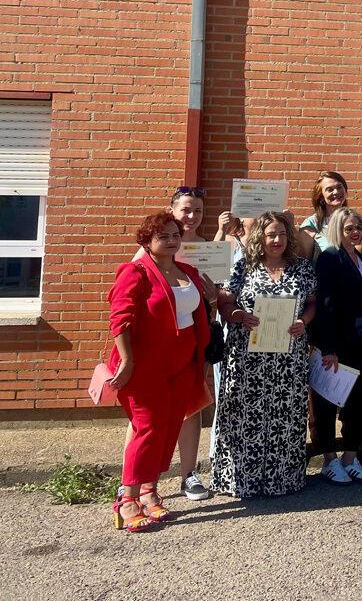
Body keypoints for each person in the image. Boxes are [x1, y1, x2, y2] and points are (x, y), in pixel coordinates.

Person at [107, 211, 212, 531]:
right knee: (147, 429)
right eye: (162, 236)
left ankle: (149, 491)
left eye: (175, 235)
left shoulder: (188, 271)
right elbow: (120, 319)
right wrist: (127, 360)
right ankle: (127, 499)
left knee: (167, 429)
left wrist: (213, 297)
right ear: (146, 241)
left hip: (182, 365)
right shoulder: (135, 272)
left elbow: (197, 312)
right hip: (145, 367)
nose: (170, 240)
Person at [130, 186, 225, 503]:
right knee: (145, 416)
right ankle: (134, 480)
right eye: (186, 209)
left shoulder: (207, 248)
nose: (192, 216)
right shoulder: (151, 249)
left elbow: (215, 295)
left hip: (192, 341)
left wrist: (215, 297)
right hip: (156, 346)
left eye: (198, 210)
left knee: (192, 406)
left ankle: (188, 475)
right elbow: (131, 292)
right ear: (172, 209)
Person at [211, 213, 316, 497]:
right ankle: (242, 480)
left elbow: (312, 303)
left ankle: (283, 480)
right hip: (247, 358)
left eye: (282, 234)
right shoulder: (244, 265)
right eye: (271, 234)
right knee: (246, 416)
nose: (277, 240)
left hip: (288, 357)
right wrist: (238, 315)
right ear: (260, 237)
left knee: (285, 416)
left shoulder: (302, 268)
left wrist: (303, 321)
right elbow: (224, 302)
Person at [311, 207, 362, 484]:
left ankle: (350, 458)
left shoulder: (359, 257)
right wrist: (328, 347)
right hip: (337, 339)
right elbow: (325, 303)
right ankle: (329, 460)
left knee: (358, 399)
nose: (354, 233)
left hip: (360, 339)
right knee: (328, 401)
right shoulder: (330, 257)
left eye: (358, 228)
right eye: (348, 228)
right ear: (338, 230)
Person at [300, 170, 349, 255]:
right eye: (330, 189)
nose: (336, 192)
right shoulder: (311, 224)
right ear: (321, 196)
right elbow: (304, 259)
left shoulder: (354, 220)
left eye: (339, 187)